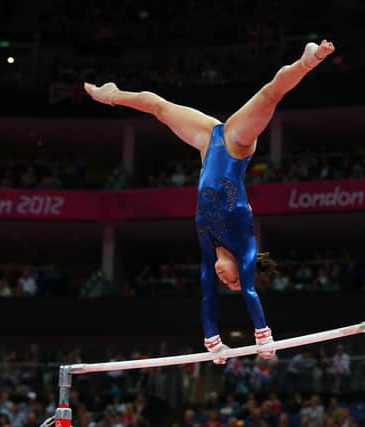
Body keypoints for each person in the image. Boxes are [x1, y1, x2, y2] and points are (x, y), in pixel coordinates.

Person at [84, 40, 336, 364]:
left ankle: (113, 94)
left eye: (224, 281)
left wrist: (213, 342)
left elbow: (206, 293)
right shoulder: (243, 245)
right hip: (234, 147)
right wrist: (264, 337)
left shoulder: (208, 247)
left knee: (159, 108)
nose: (223, 277)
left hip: (207, 144)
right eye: (231, 278)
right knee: (270, 94)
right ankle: (306, 62)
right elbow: (249, 292)